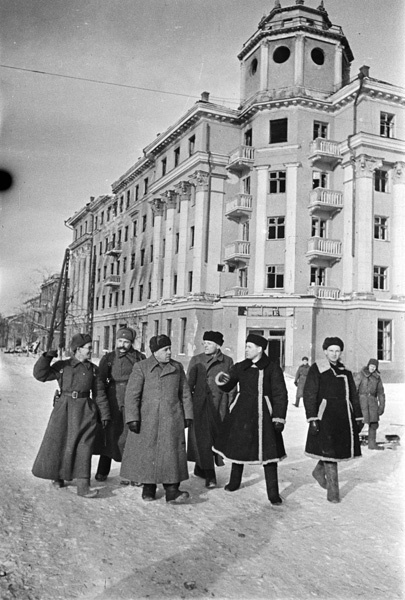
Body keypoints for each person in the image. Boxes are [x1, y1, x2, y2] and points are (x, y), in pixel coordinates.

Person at [212, 333, 288, 506]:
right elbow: (229, 384)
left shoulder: (272, 368)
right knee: (239, 448)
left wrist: (279, 417)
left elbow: (280, 394)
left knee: (269, 454)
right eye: (246, 346)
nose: (246, 350)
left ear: (260, 349)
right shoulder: (240, 367)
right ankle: (234, 482)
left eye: (249, 347)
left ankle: (273, 493)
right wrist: (222, 380)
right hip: (242, 413)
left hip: (265, 416)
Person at [32, 333, 110, 498]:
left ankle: (83, 485)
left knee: (85, 447)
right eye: (88, 348)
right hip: (64, 410)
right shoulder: (63, 366)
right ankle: (58, 476)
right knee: (61, 443)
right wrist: (46, 357)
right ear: (78, 349)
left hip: (85, 411)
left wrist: (104, 414)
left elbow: (100, 394)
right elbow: (41, 375)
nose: (91, 351)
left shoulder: (94, 370)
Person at [120, 335, 193, 504]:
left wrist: (188, 415)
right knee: (148, 453)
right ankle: (148, 488)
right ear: (155, 352)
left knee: (171, 454)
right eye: (165, 350)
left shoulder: (176, 367)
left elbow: (185, 393)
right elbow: (132, 396)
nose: (169, 352)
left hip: (172, 419)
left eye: (169, 348)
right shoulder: (141, 367)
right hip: (148, 419)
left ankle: (172, 491)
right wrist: (132, 418)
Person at [303, 337, 363, 503]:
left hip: (344, 417)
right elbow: (309, 394)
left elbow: (354, 396)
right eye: (331, 351)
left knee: (334, 450)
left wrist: (358, 416)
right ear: (325, 351)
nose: (334, 354)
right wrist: (312, 417)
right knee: (330, 454)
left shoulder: (346, 371)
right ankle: (333, 493)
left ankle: (318, 472)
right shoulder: (318, 368)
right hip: (325, 416)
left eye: (337, 351)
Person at [93, 327, 146, 483]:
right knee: (110, 435)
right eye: (120, 341)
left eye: (127, 342)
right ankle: (103, 470)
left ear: (132, 343)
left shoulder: (139, 358)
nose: (122, 345)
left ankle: (130, 473)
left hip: (133, 399)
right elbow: (100, 382)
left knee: (131, 436)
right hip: (113, 399)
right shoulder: (109, 358)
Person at [187, 331, 235, 488]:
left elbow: (231, 387)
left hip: (218, 407)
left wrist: (228, 405)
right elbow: (188, 386)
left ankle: (200, 469)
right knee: (204, 439)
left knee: (213, 440)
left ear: (218, 345)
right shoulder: (196, 360)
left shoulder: (227, 362)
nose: (205, 345)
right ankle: (210, 474)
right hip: (200, 406)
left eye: (209, 343)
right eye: (204, 342)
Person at [355, 358, 386, 450]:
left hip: (372, 403)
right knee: (359, 424)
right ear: (368, 365)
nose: (372, 368)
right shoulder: (361, 375)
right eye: (371, 366)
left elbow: (381, 393)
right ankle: (352, 442)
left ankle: (372, 444)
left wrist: (381, 406)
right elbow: (354, 389)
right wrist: (354, 404)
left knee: (374, 424)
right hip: (362, 402)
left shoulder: (377, 378)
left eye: (374, 367)